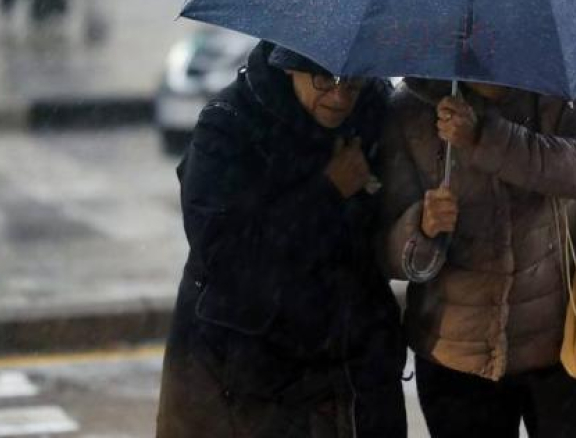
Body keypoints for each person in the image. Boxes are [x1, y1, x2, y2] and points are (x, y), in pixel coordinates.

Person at [156, 42, 406, 438]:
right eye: (324, 79)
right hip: (244, 375)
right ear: (290, 67)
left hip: (355, 370)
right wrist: (327, 190)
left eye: (353, 81)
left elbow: (381, 238)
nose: (340, 95)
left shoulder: (377, 116)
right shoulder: (230, 125)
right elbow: (225, 252)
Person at [379, 78, 576, 437]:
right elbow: (386, 251)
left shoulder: (569, 89)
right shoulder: (411, 108)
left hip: (571, 346)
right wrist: (422, 228)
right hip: (459, 360)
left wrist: (484, 138)